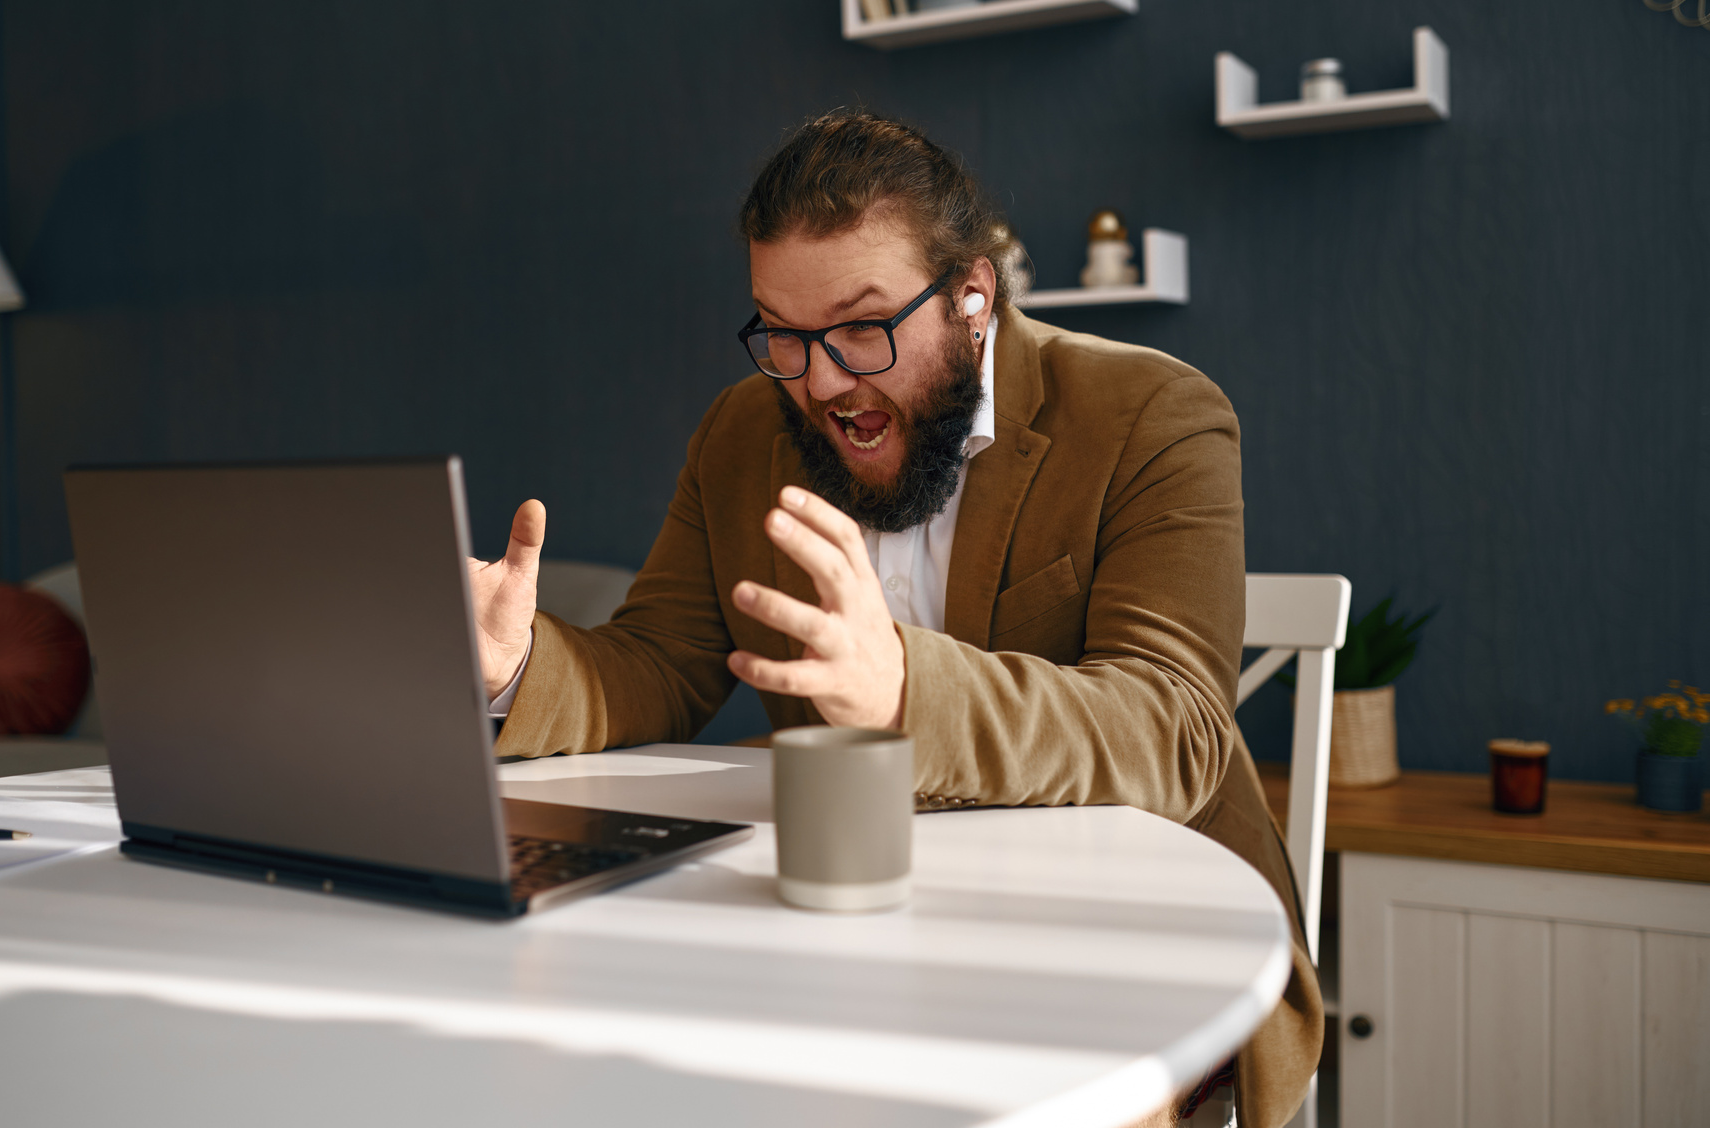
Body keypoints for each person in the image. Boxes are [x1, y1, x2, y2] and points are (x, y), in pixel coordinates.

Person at [469, 109, 1321, 1127]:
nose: (822, 378)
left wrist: (903, 688)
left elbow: (1173, 721)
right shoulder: (745, 430)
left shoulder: (1151, 411)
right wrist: (513, 665)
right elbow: (663, 658)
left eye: (863, 327)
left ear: (972, 296)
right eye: (782, 334)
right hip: (858, 915)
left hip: (1130, 924)